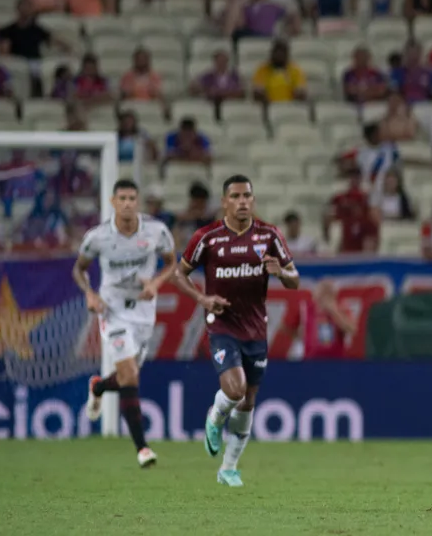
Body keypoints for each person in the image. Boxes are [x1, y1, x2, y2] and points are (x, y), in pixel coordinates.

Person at [173, 175, 300, 487]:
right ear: (224, 202)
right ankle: (215, 418)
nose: (243, 201)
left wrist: (280, 271)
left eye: (247, 196)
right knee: (235, 389)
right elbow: (179, 274)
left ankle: (228, 468)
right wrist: (202, 298)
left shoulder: (269, 235)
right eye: (236, 196)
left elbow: (294, 279)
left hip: (256, 330)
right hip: (222, 325)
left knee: (248, 401)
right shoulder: (208, 237)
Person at [73, 180, 176, 468]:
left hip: (143, 312)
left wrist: (155, 283)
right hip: (112, 311)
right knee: (130, 376)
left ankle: (98, 387)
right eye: (123, 198)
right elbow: (79, 270)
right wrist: (90, 294)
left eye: (132, 197)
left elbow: (171, 263)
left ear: (138, 201)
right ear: (113, 201)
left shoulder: (156, 231)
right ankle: (143, 449)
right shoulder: (98, 237)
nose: (128, 203)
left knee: (125, 377)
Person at [281, 279, 357, 359]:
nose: (325, 298)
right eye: (322, 294)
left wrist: (334, 312)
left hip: (336, 360)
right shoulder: (304, 308)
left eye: (328, 294)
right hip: (311, 360)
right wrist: (299, 335)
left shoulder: (341, 307)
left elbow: (352, 329)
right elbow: (285, 327)